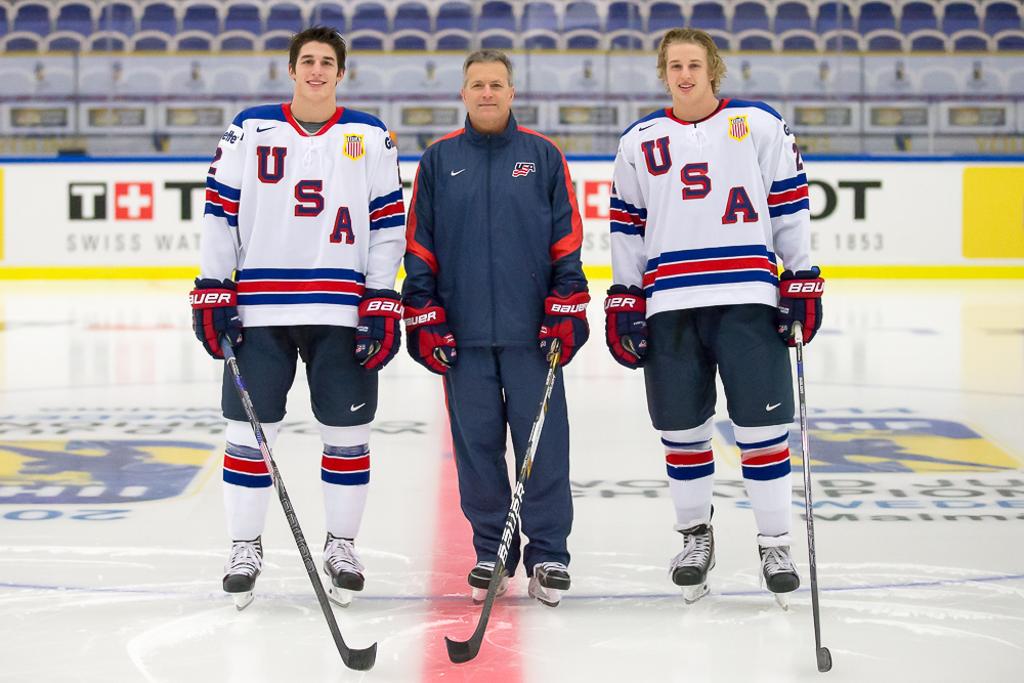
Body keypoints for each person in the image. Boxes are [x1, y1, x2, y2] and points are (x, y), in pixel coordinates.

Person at [604, 28, 823, 606]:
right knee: (682, 432)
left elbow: (790, 203)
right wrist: (625, 295)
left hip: (747, 298)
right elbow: (627, 227)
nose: (684, 74)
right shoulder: (639, 141)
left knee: (762, 431)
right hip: (670, 303)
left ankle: (775, 543)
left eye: (694, 64)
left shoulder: (758, 124)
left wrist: (801, 275)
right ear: (663, 73)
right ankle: (694, 539)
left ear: (713, 69)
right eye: (674, 65)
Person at [190, 26, 406, 610]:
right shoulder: (250, 127)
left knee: (348, 434)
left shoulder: (370, 134)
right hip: (260, 307)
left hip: (342, 307)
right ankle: (244, 547)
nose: (316, 70)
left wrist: (381, 296)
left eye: (326, 62)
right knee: (248, 434)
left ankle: (342, 546)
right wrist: (213, 284)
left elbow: (388, 222)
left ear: (341, 73)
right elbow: (219, 211)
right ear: (291, 70)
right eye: (307, 61)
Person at [403, 49, 588, 607]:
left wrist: (567, 301)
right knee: (477, 449)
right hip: (463, 338)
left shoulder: (543, 155)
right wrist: (424, 312)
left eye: (496, 84)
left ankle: (549, 555)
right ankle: (493, 551)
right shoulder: (438, 160)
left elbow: (567, 238)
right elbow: (419, 244)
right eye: (478, 84)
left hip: (533, 334)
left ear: (512, 92)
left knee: (543, 446)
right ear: (463, 93)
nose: (487, 93)